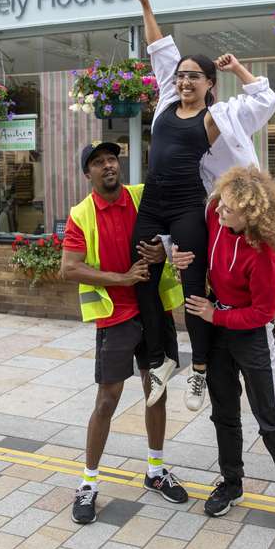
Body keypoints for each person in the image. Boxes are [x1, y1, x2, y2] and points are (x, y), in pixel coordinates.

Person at [131, 0, 275, 413]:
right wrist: (147, 3)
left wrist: (241, 70)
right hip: (160, 201)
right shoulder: (164, 101)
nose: (183, 80)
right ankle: (161, 360)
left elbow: (264, 100)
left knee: (194, 281)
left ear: (209, 83)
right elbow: (159, 47)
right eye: (181, 76)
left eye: (193, 75)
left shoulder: (223, 117)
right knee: (143, 267)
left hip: (204, 207)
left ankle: (199, 369)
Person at [172, 166, 275, 541]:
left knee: (270, 418)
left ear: (249, 215)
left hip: (252, 337)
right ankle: (232, 483)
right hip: (219, 331)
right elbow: (190, 238)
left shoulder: (265, 255)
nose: (217, 212)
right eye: (220, 206)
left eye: (228, 210)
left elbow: (263, 313)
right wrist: (177, 254)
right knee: (224, 414)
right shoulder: (216, 213)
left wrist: (217, 315)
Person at [61, 142, 188, 525]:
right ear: (88, 174)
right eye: (98, 163)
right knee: (107, 400)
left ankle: (155, 470)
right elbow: (69, 268)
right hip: (116, 317)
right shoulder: (81, 215)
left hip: (155, 312)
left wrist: (164, 252)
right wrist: (121, 278)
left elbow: (175, 232)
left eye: (112, 159)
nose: (108, 166)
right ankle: (88, 483)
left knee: (156, 392)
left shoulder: (141, 196)